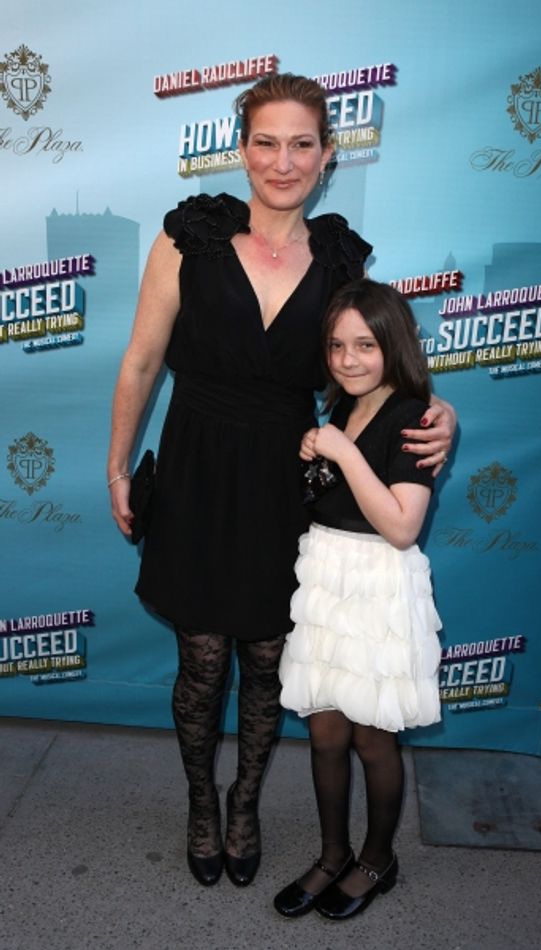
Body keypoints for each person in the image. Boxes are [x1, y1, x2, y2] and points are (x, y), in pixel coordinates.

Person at [107, 74, 455, 890]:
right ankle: (201, 804)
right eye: (266, 141)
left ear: (328, 157)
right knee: (201, 662)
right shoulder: (188, 238)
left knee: (266, 660)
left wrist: (444, 412)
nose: (283, 160)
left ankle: (246, 806)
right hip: (193, 468)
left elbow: (378, 362)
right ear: (241, 149)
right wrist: (119, 465)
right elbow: (141, 360)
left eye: (302, 144)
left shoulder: (340, 258)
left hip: (283, 480)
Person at [275, 279, 443, 920]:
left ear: (392, 344)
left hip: (376, 582)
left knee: (373, 738)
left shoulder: (415, 414)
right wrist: (319, 457)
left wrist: (341, 453)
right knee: (324, 733)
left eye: (365, 345)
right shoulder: (343, 405)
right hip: (328, 577)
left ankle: (377, 860)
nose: (348, 359)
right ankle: (331, 855)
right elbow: (332, 496)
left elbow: (402, 526)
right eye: (337, 345)